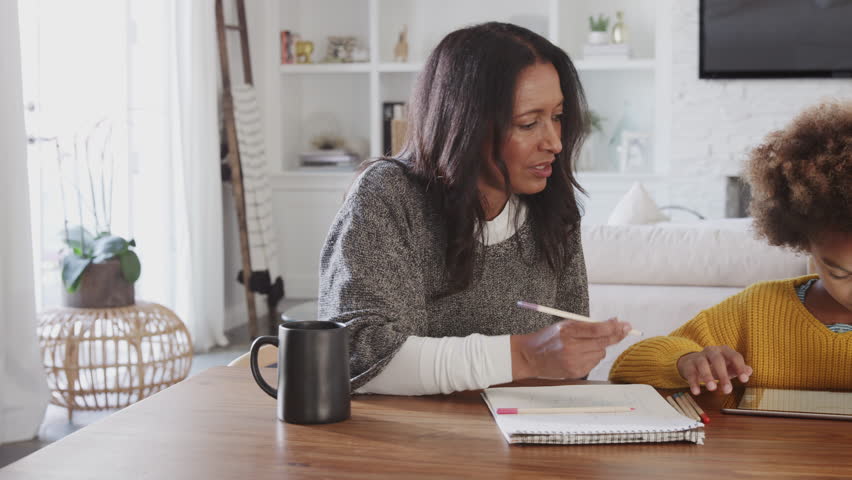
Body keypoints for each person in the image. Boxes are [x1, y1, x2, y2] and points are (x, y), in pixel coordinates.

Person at [318, 22, 633, 395]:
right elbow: (355, 354)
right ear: (464, 125)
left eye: (558, 117)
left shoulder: (555, 209)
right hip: (409, 445)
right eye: (529, 123)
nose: (554, 142)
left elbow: (565, 374)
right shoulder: (388, 195)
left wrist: (572, 356)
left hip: (521, 439)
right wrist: (526, 356)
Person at [609, 100, 852, 395]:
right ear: (806, 247)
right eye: (841, 274)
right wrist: (685, 361)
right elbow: (628, 366)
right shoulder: (759, 309)